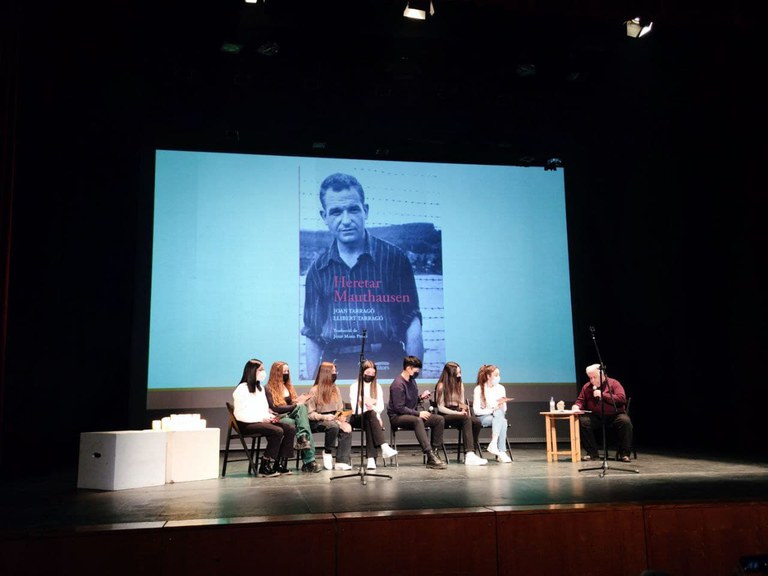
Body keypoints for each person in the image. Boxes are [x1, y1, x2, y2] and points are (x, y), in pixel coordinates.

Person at [301, 172, 424, 380]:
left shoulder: (395, 259)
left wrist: (412, 381)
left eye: (353, 209)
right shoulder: (317, 271)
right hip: (335, 368)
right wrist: (315, 387)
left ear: (365, 211)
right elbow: (313, 335)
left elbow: (412, 324)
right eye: (336, 212)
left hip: (388, 363)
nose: (346, 220)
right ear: (324, 217)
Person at [232, 359, 297, 477]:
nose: (263, 372)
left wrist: (270, 417)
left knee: (290, 429)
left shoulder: (260, 388)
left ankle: (278, 463)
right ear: (252, 371)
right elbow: (240, 414)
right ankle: (265, 464)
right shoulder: (241, 389)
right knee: (277, 431)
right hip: (246, 423)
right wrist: (262, 419)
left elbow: (264, 409)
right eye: (260, 369)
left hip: (260, 421)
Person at [386, 356, 446, 469]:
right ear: (409, 368)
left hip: (410, 415)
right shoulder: (397, 385)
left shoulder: (412, 381)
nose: (417, 373)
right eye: (416, 370)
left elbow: (408, 401)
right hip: (398, 417)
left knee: (439, 420)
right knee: (418, 420)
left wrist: (420, 397)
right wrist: (418, 414)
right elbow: (399, 408)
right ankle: (429, 454)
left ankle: (434, 452)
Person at [264, 361, 322, 473]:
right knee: (302, 425)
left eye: (287, 371)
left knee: (302, 409)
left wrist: (299, 401)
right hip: (279, 417)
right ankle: (309, 461)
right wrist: (294, 406)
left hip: (291, 414)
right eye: (283, 371)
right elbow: (275, 408)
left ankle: (303, 439)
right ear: (276, 372)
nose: (286, 373)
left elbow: (293, 404)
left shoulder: (288, 387)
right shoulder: (268, 388)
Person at [571, 363, 634, 462]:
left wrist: (603, 395)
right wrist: (576, 406)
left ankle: (624, 454)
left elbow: (622, 399)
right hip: (596, 416)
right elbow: (580, 401)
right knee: (582, 421)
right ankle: (592, 453)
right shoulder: (587, 387)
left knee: (625, 421)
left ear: (602, 375)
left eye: (594, 377)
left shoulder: (614, 383)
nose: (592, 380)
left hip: (615, 415)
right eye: (590, 378)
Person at [434, 362, 487, 465]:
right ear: (450, 374)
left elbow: (461, 402)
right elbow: (440, 407)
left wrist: (463, 409)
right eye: (457, 373)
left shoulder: (460, 384)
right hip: (445, 414)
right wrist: (456, 413)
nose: (459, 375)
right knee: (466, 419)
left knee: (476, 421)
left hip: (457, 412)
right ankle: (469, 454)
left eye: (460, 372)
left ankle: (471, 452)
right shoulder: (441, 386)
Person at [348, 359, 398, 469]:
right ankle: (383, 447)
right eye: (368, 372)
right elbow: (355, 408)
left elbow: (380, 407)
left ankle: (371, 460)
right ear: (362, 372)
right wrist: (369, 408)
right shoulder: (355, 386)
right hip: (357, 417)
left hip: (371, 418)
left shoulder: (377, 387)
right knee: (370, 416)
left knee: (370, 420)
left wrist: (372, 409)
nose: (370, 375)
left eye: (373, 373)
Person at [306, 361, 354, 471]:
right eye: (332, 371)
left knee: (347, 428)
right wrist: (324, 417)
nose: (335, 374)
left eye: (335, 371)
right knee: (333, 426)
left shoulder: (336, 389)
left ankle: (342, 461)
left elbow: (340, 408)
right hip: (318, 420)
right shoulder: (314, 390)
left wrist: (342, 418)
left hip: (334, 418)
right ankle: (328, 452)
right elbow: (310, 414)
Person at [472, 364, 513, 463]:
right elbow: (476, 411)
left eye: (499, 375)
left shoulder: (501, 388)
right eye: (496, 375)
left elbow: (504, 408)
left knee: (501, 418)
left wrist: (498, 408)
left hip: (498, 416)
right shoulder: (479, 389)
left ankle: (494, 444)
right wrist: (492, 411)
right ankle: (501, 451)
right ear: (488, 376)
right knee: (502, 421)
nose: (498, 377)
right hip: (483, 417)